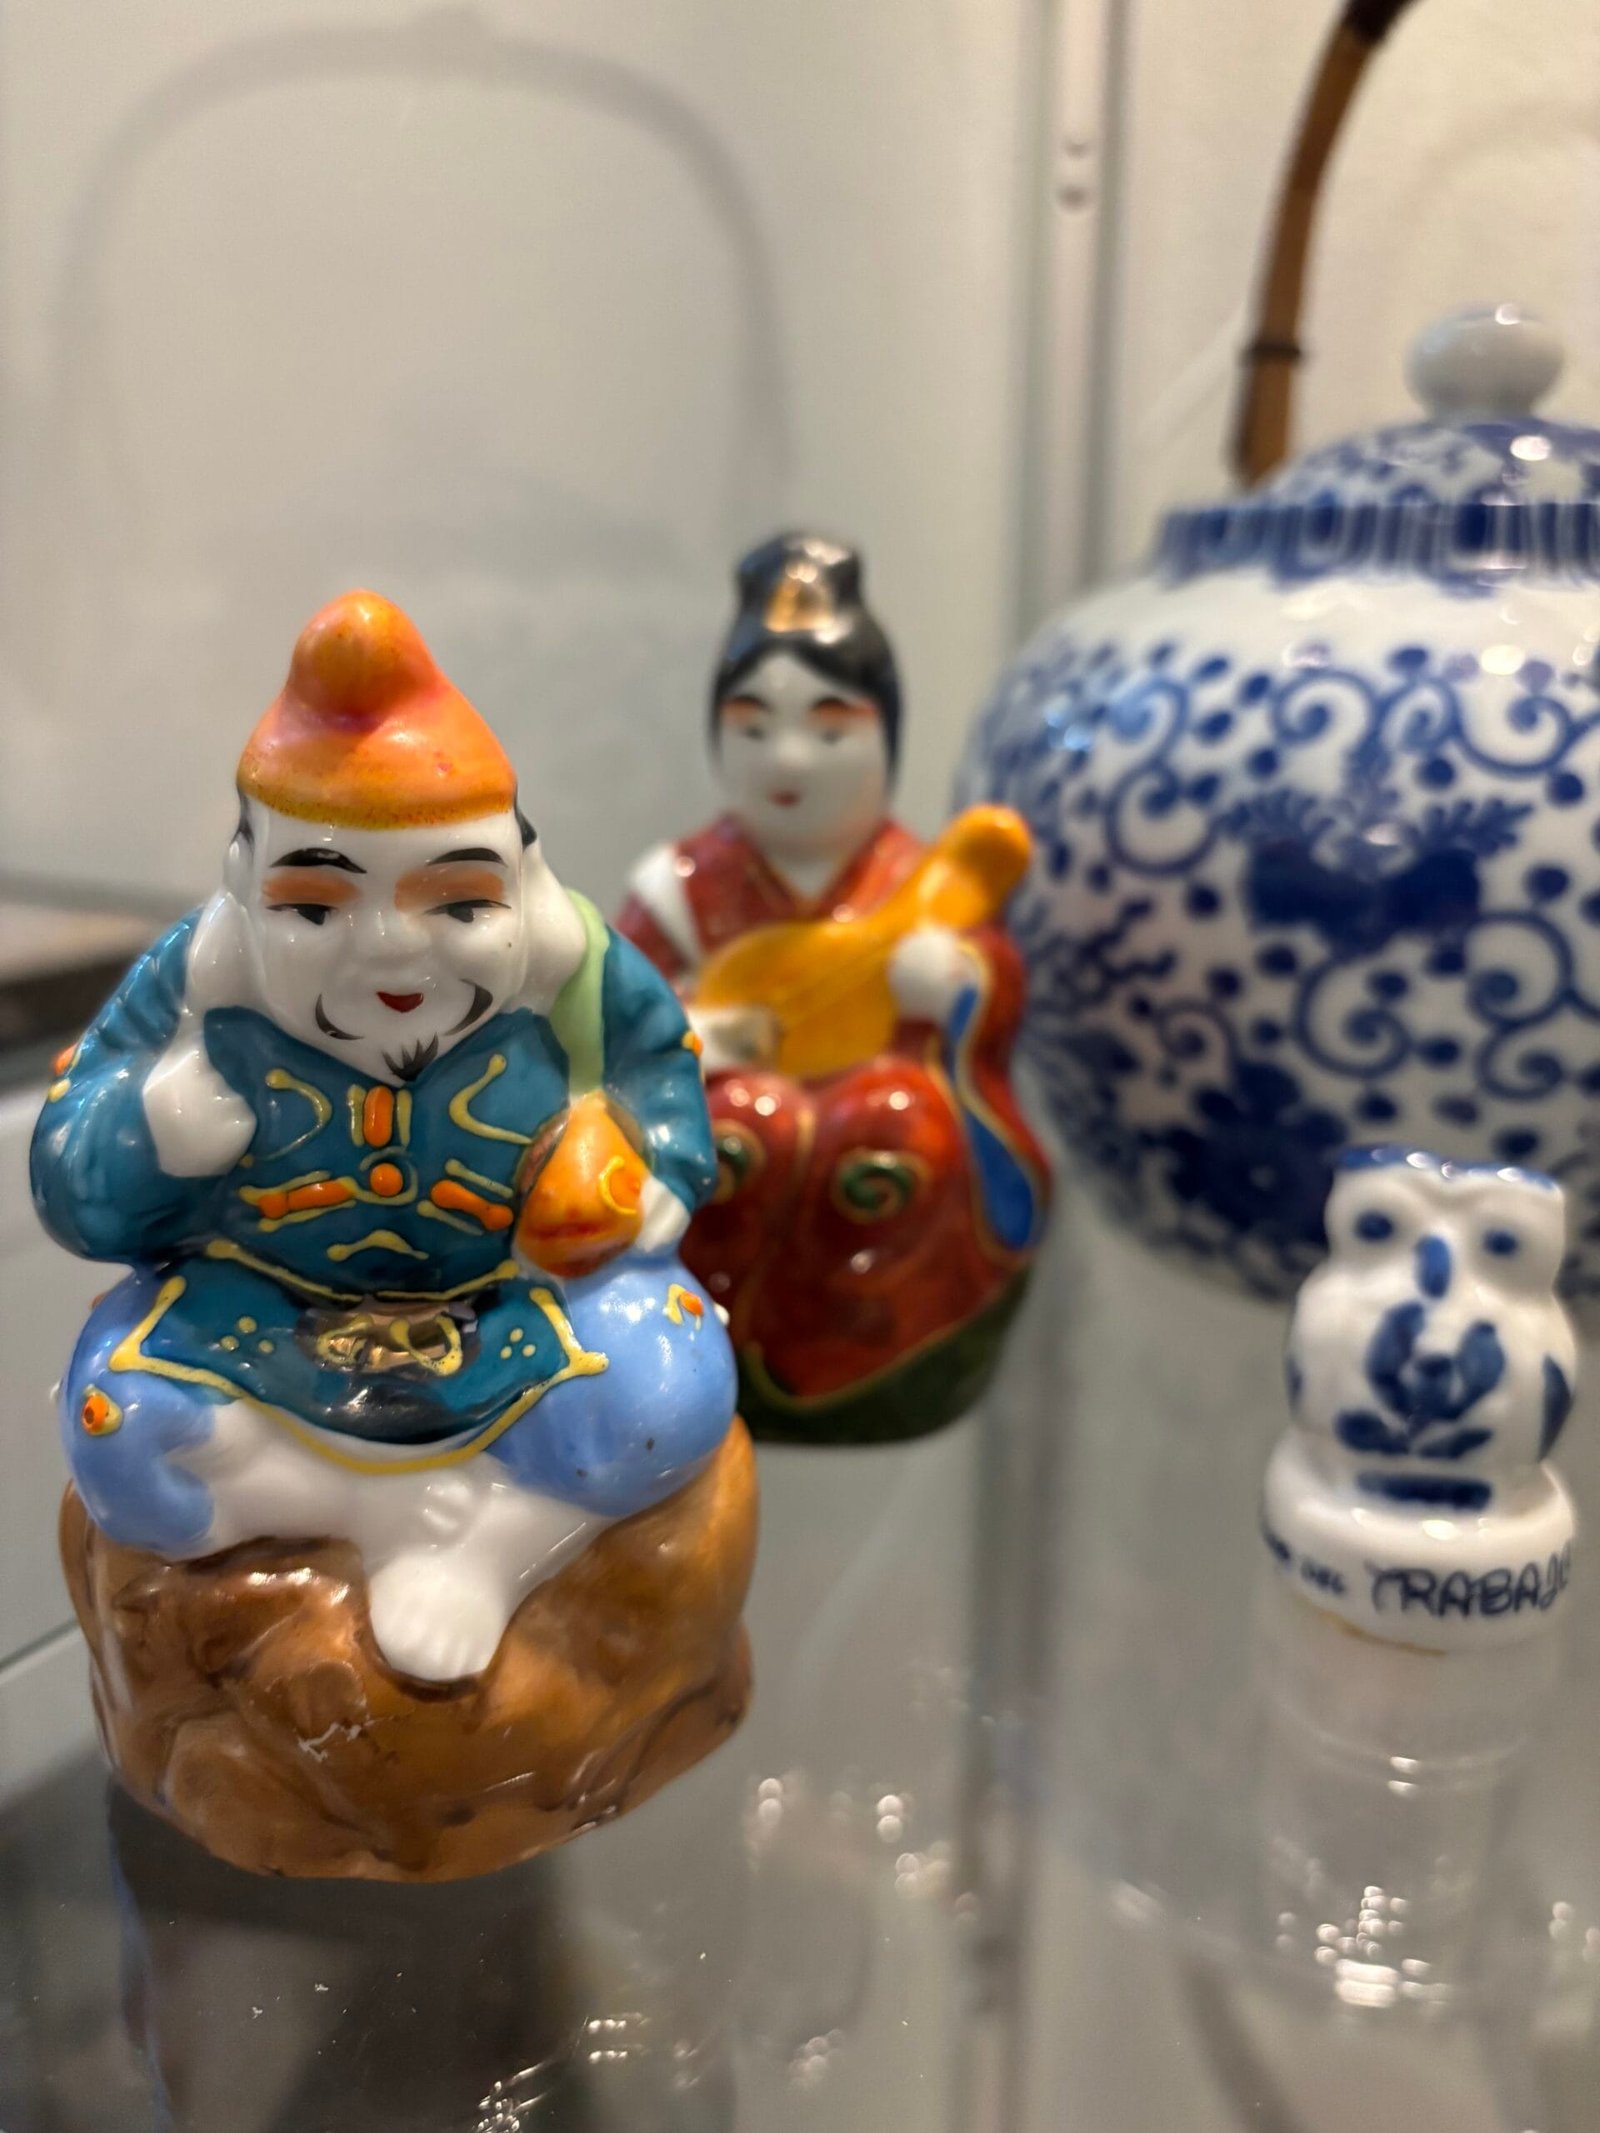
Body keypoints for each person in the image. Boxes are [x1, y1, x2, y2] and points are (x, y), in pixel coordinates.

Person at [33, 591, 736, 1680]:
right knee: (116, 1424)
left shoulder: (578, 973)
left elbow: (665, 1075)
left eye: (459, 906)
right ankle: (388, 1520)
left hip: (512, 1308)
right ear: (244, 892)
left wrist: (651, 1181)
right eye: (317, 911)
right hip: (261, 1312)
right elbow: (72, 1174)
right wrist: (153, 1133)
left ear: (522, 878)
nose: (395, 957)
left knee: (667, 1387)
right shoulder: (191, 988)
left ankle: (491, 1552)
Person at [617, 533, 1047, 1442]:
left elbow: (994, 992)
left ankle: (878, 1363)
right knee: (740, 1131)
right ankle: (706, 1363)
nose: (790, 761)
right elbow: (619, 1014)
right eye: (754, 728)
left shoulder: (922, 885)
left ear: (885, 735)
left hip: (887, 1132)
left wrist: (960, 986)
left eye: (829, 728)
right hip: (730, 1126)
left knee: (897, 1128)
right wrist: (700, 1032)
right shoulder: (681, 888)